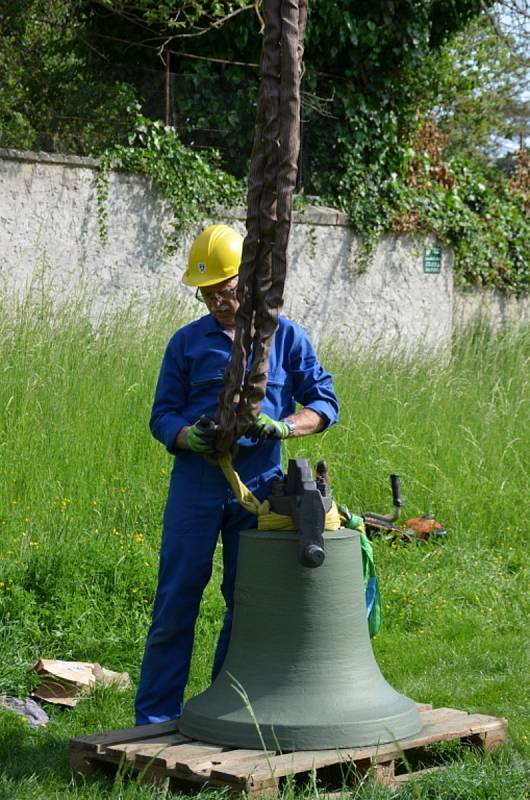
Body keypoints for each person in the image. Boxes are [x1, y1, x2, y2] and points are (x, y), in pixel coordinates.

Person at [135, 224, 339, 725]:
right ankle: (156, 720)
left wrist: (285, 426)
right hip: (197, 486)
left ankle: (221, 710)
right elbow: (162, 414)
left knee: (245, 603)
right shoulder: (186, 343)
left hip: (261, 490)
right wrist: (188, 436)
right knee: (175, 600)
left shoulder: (287, 338)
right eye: (207, 293)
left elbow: (324, 404)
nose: (217, 302)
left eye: (225, 290)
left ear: (249, 282)